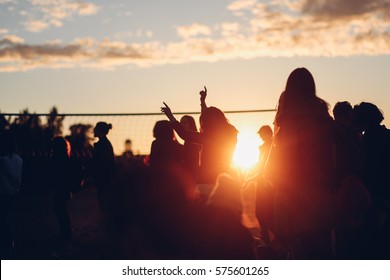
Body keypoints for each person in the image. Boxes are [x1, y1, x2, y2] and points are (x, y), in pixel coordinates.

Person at [265, 67, 335, 259]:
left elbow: (275, 168)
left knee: (298, 253)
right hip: (321, 193)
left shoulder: (287, 120)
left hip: (293, 196)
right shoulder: (323, 116)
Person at [161, 87, 238, 204]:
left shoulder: (208, 137)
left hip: (206, 184)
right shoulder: (231, 135)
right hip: (223, 182)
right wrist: (203, 103)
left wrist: (171, 117)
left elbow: (184, 134)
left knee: (199, 217)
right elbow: (209, 118)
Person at [0, 131, 23, 258]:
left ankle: (7, 243)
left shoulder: (2, 160)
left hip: (2, 193)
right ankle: (7, 243)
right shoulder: (18, 159)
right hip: (12, 193)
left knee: (2, 219)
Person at [51, 137, 73, 240]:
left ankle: (66, 232)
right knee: (60, 209)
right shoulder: (65, 157)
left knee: (60, 209)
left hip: (61, 187)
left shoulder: (59, 158)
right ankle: (65, 231)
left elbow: (59, 174)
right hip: (63, 188)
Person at [92, 122, 116, 212]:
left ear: (100, 130)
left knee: (104, 205)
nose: (94, 129)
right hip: (105, 179)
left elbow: (101, 163)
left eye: (96, 128)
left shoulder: (102, 145)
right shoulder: (104, 144)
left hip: (104, 179)